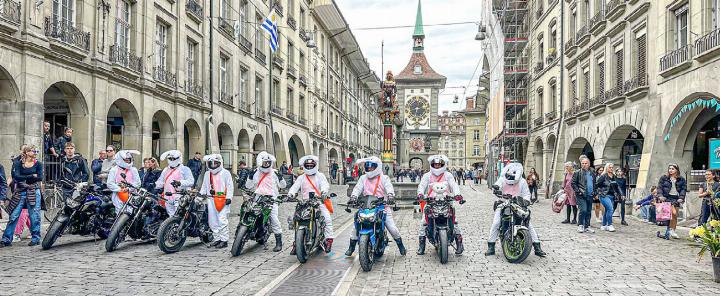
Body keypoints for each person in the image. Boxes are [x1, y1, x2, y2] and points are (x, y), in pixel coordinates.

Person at [346, 156, 406, 256]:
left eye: (372, 167)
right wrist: (353, 197)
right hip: (366, 207)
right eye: (367, 167)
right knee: (355, 228)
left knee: (392, 228)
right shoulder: (363, 178)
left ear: (377, 167)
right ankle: (351, 247)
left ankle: (401, 246)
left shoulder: (384, 178)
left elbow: (389, 188)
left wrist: (391, 196)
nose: (369, 169)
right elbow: (357, 189)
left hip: (381, 207)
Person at [485, 162, 547, 257]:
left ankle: (537, 247)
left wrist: (526, 201)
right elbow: (497, 185)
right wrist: (496, 188)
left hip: (518, 205)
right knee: (496, 223)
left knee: (528, 225)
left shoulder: (522, 181)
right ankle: (491, 245)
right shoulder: (502, 179)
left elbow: (526, 194)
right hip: (503, 203)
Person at [416, 155, 465, 255]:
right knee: (423, 223)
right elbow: (422, 185)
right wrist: (420, 194)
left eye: (439, 164)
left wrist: (457, 194)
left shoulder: (448, 175)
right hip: (431, 201)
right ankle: (421, 246)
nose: (437, 166)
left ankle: (459, 244)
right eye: (435, 164)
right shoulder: (427, 175)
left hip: (446, 201)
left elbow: (454, 185)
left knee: (454, 222)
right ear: (432, 165)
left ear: (442, 165)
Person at [288, 155, 335, 254]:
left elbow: (324, 185)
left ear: (315, 165)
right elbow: (295, 186)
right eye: (307, 165)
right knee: (295, 220)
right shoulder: (301, 177)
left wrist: (324, 192)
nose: (309, 167)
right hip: (304, 203)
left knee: (327, 219)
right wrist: (291, 193)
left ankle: (329, 240)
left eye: (311, 165)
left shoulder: (320, 175)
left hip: (318, 202)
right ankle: (296, 243)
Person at [2, 145, 43, 247]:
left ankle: (36, 238)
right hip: (20, 191)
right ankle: (6, 239)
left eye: (36, 151)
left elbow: (40, 177)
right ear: (27, 152)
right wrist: (31, 176)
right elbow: (16, 176)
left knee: (34, 216)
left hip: (33, 191)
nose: (35, 152)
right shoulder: (18, 163)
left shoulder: (38, 164)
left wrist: (26, 178)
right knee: (14, 215)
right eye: (33, 151)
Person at [245, 151, 286, 251]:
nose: (266, 164)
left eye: (268, 162)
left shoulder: (275, 172)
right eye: (264, 163)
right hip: (258, 198)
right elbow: (248, 186)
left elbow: (283, 186)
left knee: (274, 219)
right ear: (260, 163)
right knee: (248, 212)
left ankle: (279, 243)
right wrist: (250, 177)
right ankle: (245, 232)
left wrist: (280, 178)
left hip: (271, 199)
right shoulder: (255, 172)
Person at [199, 154, 234, 249]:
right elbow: (204, 186)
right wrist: (200, 195)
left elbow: (230, 186)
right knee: (212, 221)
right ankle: (217, 238)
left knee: (222, 220)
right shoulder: (207, 174)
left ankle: (224, 240)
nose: (213, 165)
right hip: (211, 199)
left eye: (215, 163)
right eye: (211, 163)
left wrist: (229, 198)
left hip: (222, 199)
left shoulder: (226, 173)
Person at [155, 150, 195, 216]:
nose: (172, 160)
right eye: (170, 158)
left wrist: (180, 183)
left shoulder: (185, 169)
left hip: (180, 196)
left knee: (178, 216)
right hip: (167, 196)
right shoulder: (166, 170)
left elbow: (191, 181)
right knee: (171, 217)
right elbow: (161, 181)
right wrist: (155, 185)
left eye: (173, 159)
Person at [657, 163, 687, 239]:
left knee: (675, 215)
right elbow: (659, 188)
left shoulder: (681, 179)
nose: (670, 170)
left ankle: (672, 230)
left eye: (673, 169)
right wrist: (660, 196)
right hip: (666, 198)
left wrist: (681, 197)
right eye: (669, 168)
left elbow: (683, 189)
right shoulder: (664, 178)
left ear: (677, 170)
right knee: (671, 214)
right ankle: (669, 230)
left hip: (676, 198)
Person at [572, 156, 597, 233]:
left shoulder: (592, 172)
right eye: (583, 163)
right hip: (581, 195)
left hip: (590, 194)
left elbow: (594, 183)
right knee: (583, 210)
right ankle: (580, 225)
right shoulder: (577, 172)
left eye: (586, 163)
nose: (584, 164)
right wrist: (578, 191)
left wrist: (595, 192)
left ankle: (587, 226)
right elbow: (573, 183)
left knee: (589, 211)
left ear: (589, 164)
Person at [596, 163, 622, 232]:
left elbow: (617, 186)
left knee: (607, 210)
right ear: (606, 168)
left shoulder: (614, 176)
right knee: (610, 209)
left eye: (612, 167)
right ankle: (610, 225)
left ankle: (604, 225)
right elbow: (596, 185)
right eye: (610, 167)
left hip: (612, 196)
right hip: (604, 195)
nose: (611, 168)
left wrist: (621, 194)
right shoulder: (603, 176)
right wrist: (598, 193)